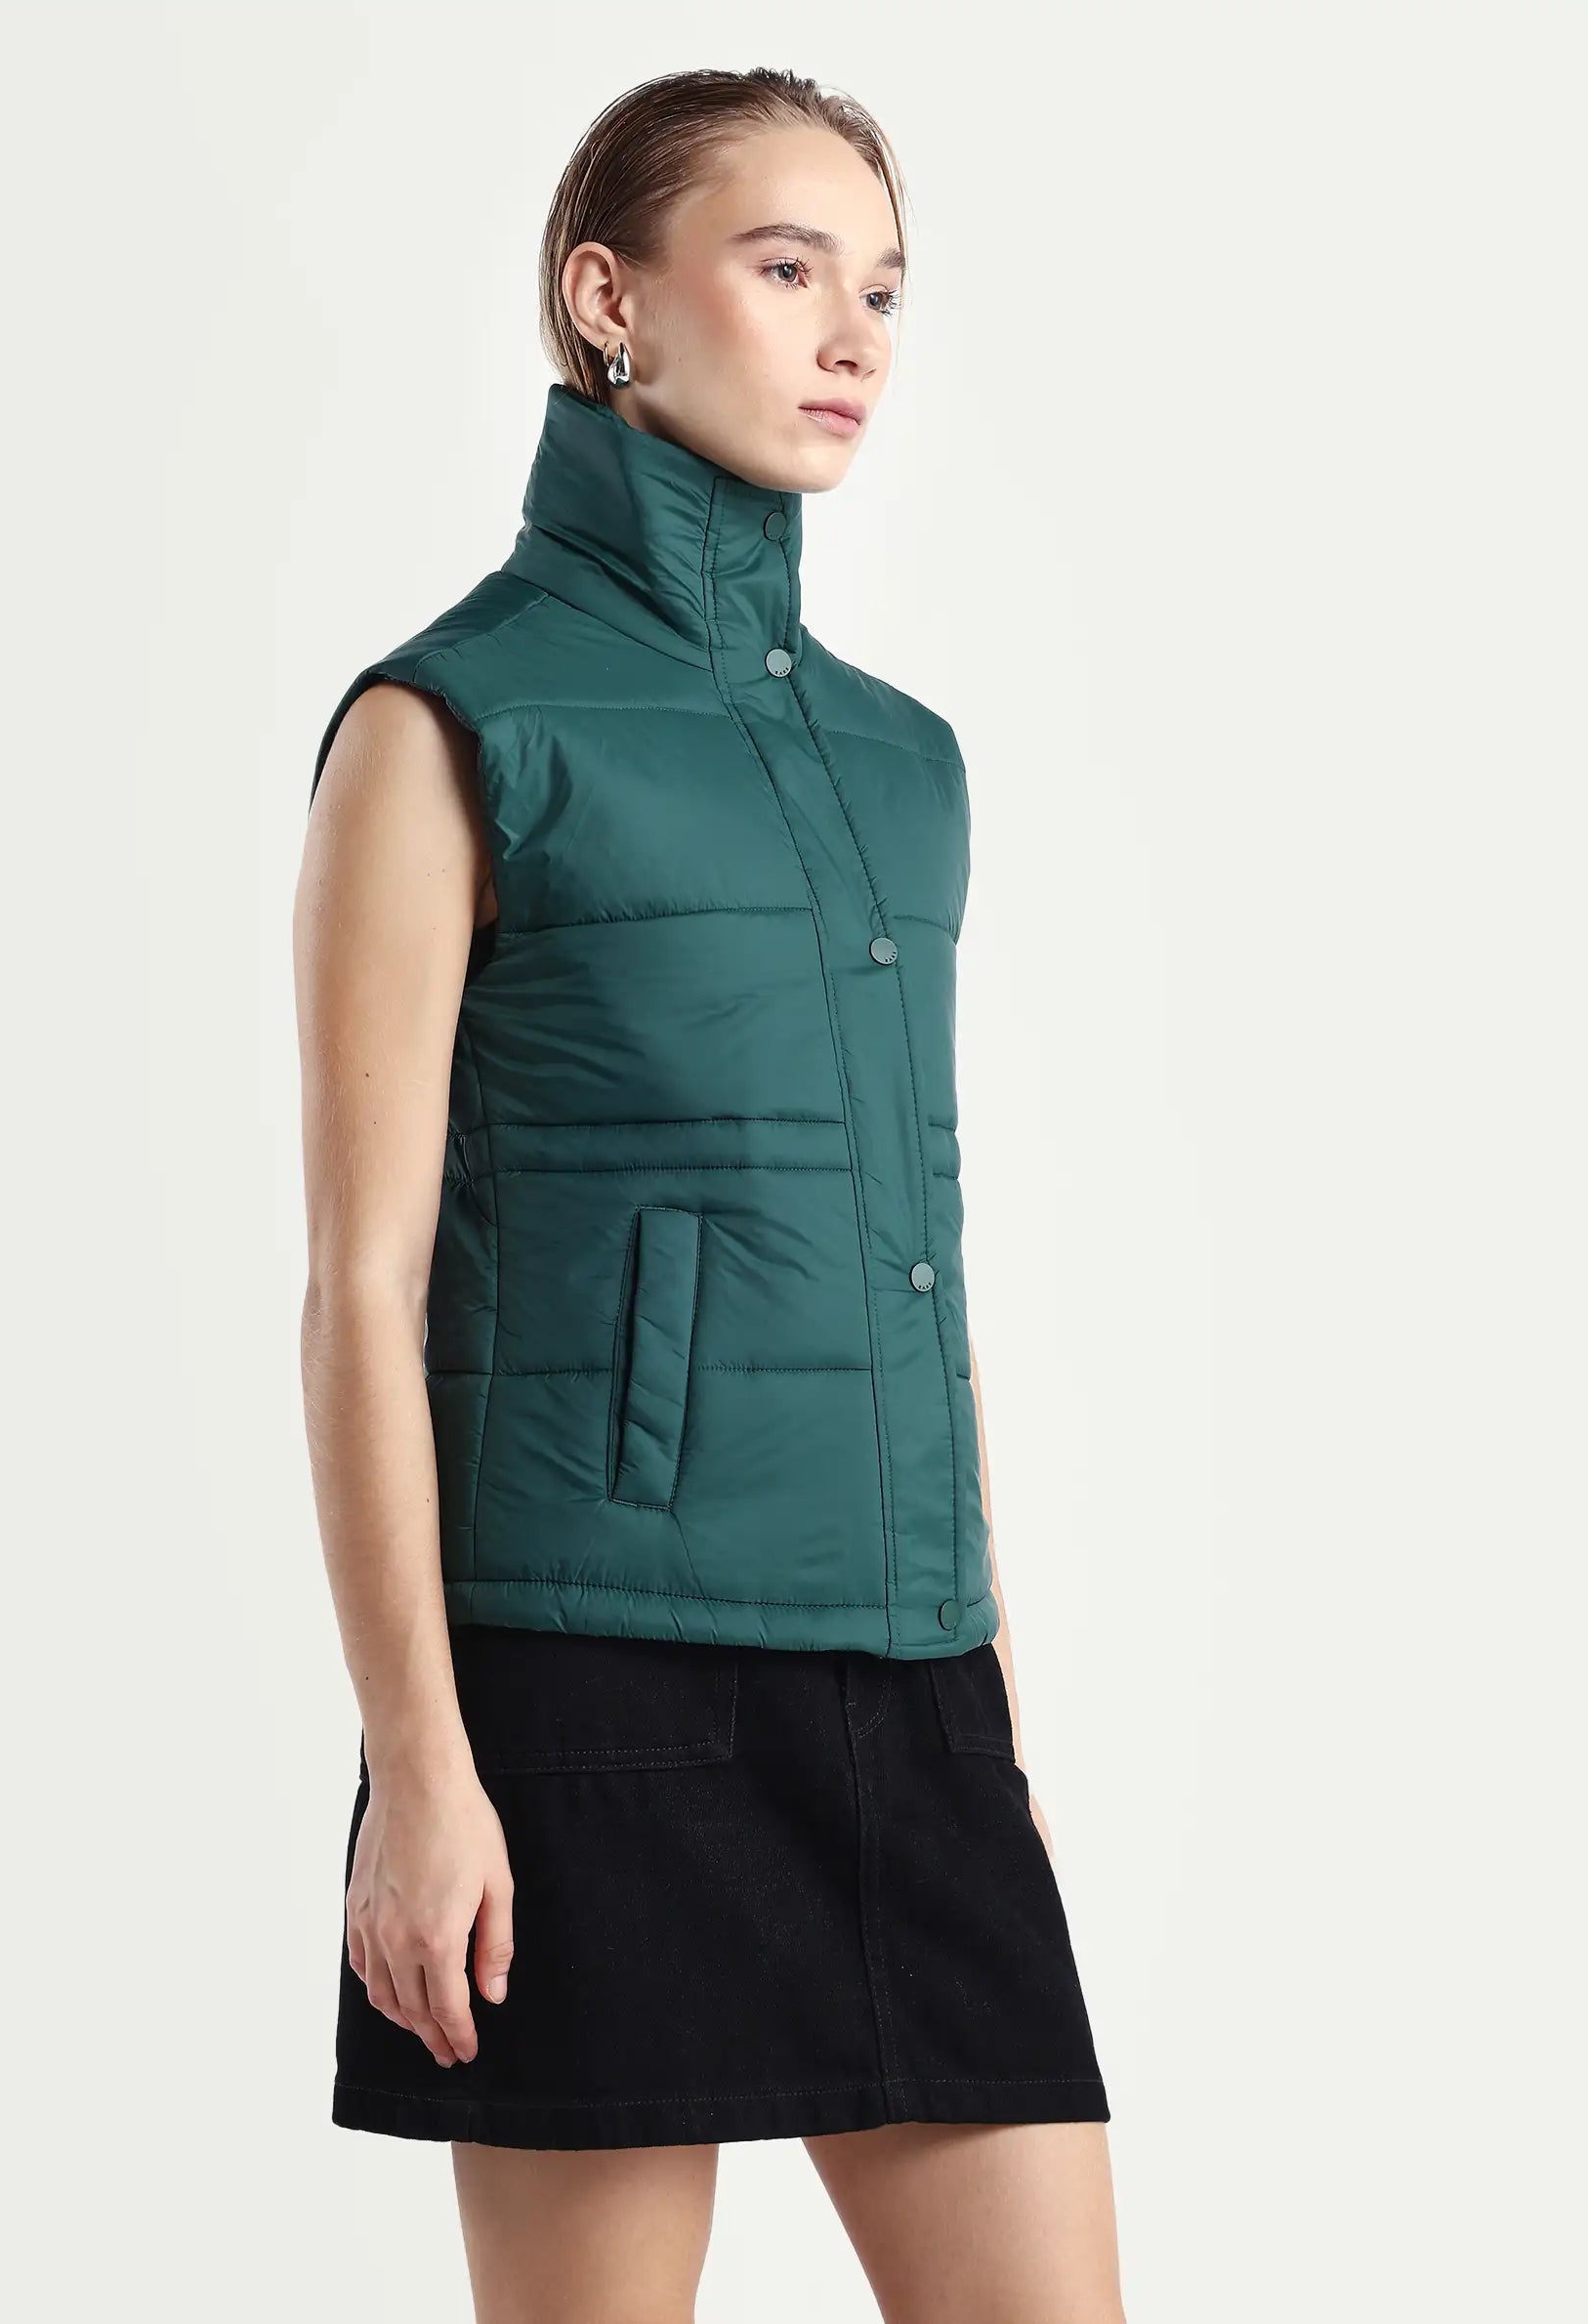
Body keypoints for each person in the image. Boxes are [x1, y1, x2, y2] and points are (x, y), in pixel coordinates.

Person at [293, 64, 1127, 2324]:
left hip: (909, 1675)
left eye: (884, 290)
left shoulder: (905, 761)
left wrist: (991, 1709)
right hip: (592, 1683)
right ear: (610, 300)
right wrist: (419, 1767)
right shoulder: (451, 726)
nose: (853, 335)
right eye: (784, 267)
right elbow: (362, 1284)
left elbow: (915, 1257)